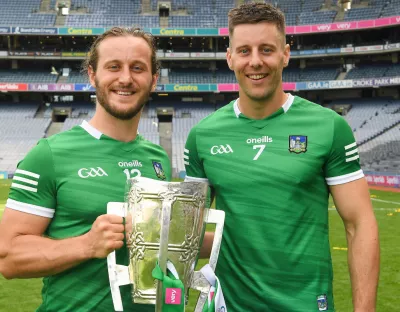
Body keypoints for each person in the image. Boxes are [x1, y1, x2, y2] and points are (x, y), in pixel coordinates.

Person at [184, 3, 379, 312]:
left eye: (267, 50)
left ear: (285, 54)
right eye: (245, 51)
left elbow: (359, 224)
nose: (256, 61)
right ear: (230, 57)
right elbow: (186, 234)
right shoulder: (202, 136)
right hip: (231, 306)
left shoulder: (329, 127)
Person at [0, 27, 171, 312]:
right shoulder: (49, 155)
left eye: (137, 68)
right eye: (113, 67)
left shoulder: (158, 159)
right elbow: (8, 258)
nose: (125, 78)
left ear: (153, 80)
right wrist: (87, 245)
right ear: (93, 75)